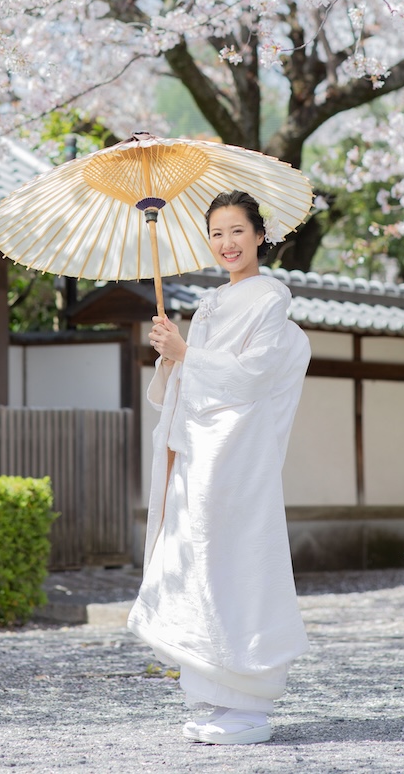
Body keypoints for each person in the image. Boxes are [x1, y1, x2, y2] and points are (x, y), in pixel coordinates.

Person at [127, 189, 311, 746]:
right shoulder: (210, 304)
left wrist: (188, 356)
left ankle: (248, 696)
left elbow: (253, 376)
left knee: (233, 558)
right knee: (195, 560)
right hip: (198, 450)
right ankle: (211, 691)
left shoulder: (269, 298)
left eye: (237, 231)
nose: (226, 243)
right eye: (216, 234)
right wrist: (171, 355)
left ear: (259, 235)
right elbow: (185, 382)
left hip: (237, 454)